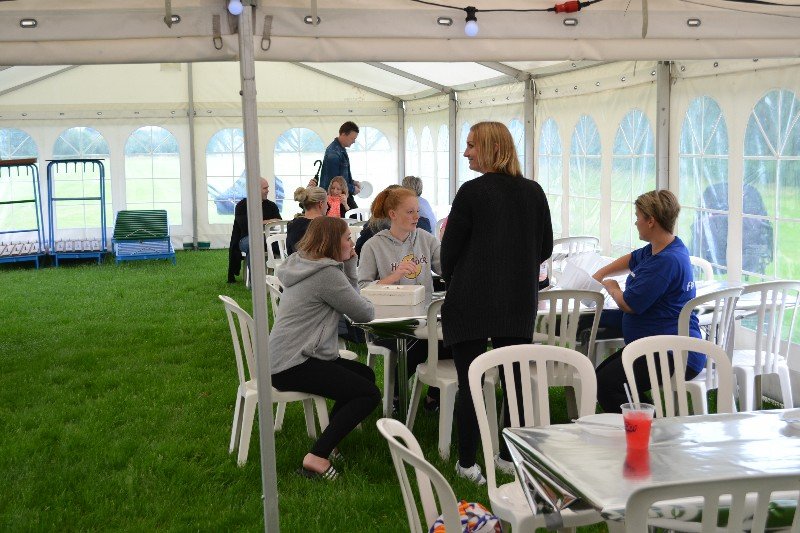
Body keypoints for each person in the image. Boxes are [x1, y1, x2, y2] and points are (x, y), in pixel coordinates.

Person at [441, 121, 553, 485]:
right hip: (517, 300)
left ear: (493, 148)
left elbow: (448, 254)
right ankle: (507, 457)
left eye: (472, 145)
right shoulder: (534, 192)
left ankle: (467, 464)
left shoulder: (472, 192)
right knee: (514, 382)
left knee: (471, 382)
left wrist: (466, 271)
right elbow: (546, 248)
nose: (466, 153)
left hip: (470, 300)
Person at [269, 217, 379, 480]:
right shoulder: (326, 275)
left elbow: (352, 302)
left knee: (365, 376)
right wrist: (350, 268)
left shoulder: (304, 262)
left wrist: (348, 264)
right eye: (347, 238)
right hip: (293, 363)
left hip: (285, 356)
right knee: (369, 394)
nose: (352, 243)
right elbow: (364, 312)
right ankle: (317, 457)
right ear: (331, 242)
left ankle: (331, 443)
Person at [592, 189, 703, 413]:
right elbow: (633, 258)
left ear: (651, 221)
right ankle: (650, 421)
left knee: (607, 384)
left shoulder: (665, 262)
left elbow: (629, 304)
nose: (636, 222)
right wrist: (600, 274)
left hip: (673, 354)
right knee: (601, 378)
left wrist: (612, 287)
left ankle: (647, 427)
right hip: (658, 346)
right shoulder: (665, 247)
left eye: (638, 217)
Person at [357, 186, 448, 412]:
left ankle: (434, 397)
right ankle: (396, 394)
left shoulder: (426, 239)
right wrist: (394, 277)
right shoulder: (373, 245)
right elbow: (362, 289)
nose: (417, 216)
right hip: (388, 325)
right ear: (393, 214)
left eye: (417, 211)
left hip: (423, 320)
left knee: (450, 338)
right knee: (427, 341)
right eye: (410, 212)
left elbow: (448, 269)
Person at [227, 177, 281, 283]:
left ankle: (281, 281)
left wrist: (265, 222)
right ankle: (256, 283)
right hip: (246, 239)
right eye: (265, 188)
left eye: (268, 188)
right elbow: (246, 226)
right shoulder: (242, 205)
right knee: (255, 243)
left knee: (286, 243)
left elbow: (278, 223)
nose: (268, 191)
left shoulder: (271, 206)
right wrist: (268, 221)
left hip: (268, 238)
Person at [320, 121, 361, 210]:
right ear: (343, 134)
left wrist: (353, 182)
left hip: (342, 195)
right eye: (352, 138)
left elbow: (341, 175)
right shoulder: (333, 153)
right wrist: (352, 189)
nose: (354, 141)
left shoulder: (340, 149)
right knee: (355, 216)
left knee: (356, 215)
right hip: (335, 198)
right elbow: (334, 180)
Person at [286, 186, 327, 255]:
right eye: (326, 203)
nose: (327, 206)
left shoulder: (292, 223)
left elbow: (289, 251)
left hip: (295, 261)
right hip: (320, 262)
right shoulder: (327, 225)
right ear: (321, 204)